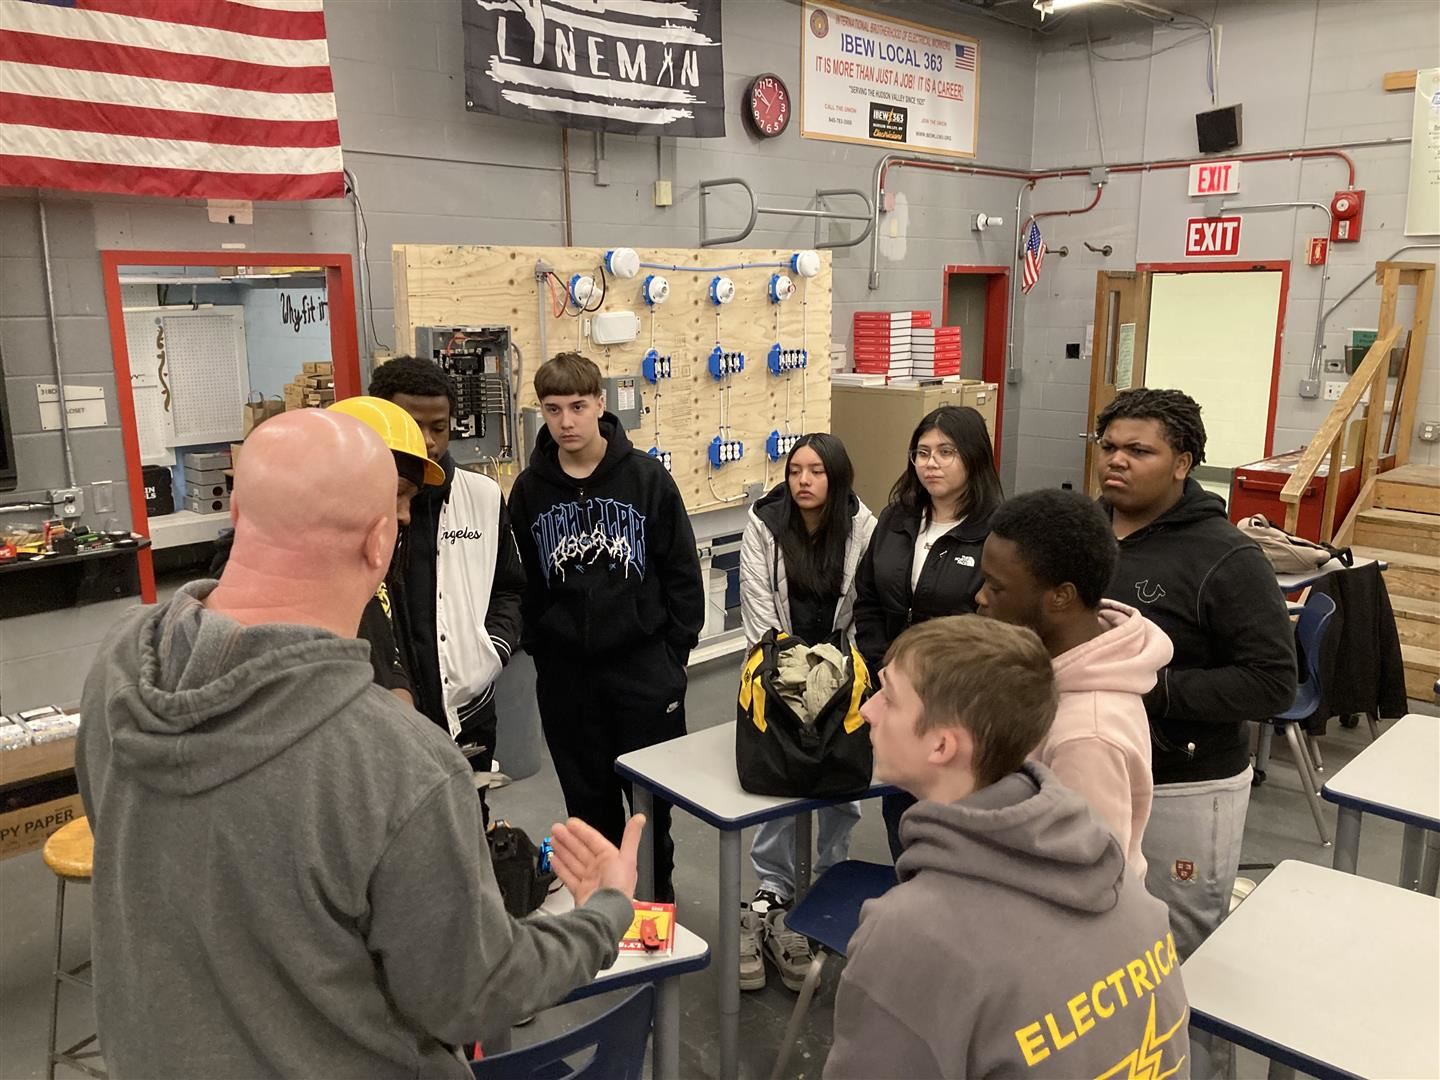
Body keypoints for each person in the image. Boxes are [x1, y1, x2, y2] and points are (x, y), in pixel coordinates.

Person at [75, 409, 644, 1077]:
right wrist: (604, 911)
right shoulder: (402, 765)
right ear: (380, 544)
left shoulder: (119, 668)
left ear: (239, 516)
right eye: (400, 518)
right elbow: (473, 997)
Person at [824, 616, 1190, 1080]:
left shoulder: (911, 934)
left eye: (889, 697)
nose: (870, 709)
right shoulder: (1116, 872)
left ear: (941, 744)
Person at [1095, 388, 1296, 960]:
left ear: (1183, 464)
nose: (1117, 460)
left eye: (1139, 450)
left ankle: (1185, 1054)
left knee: (1173, 952)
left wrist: (1148, 688)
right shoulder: (1081, 534)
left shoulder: (1226, 557)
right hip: (1085, 768)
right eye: (1108, 446)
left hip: (1182, 784)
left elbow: (1271, 682)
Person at [507, 352, 705, 903]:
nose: (566, 421)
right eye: (552, 409)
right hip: (569, 684)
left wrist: (671, 661)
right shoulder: (529, 491)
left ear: (600, 404)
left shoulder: (645, 479)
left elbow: (683, 576)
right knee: (589, 817)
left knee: (649, 814)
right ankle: (605, 927)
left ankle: (654, 917)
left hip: (644, 677)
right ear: (541, 412)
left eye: (577, 406)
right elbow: (522, 584)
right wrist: (543, 649)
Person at [737, 433, 876, 992]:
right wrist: (786, 672)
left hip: (845, 670)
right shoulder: (765, 522)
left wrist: (844, 675)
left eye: (816, 471)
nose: (803, 481)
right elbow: (757, 604)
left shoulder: (862, 525)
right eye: (796, 470)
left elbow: (866, 603)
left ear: (836, 476)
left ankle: (829, 873)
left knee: (840, 774)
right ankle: (773, 886)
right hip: (779, 670)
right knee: (780, 775)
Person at [977, 487, 1172, 875]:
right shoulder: (1040, 669)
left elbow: (1086, 876)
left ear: (1062, 596)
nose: (981, 597)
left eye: (996, 588)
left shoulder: (1088, 734)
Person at [209, 396, 444, 705]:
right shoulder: (273, 588)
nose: (404, 514)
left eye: (410, 497)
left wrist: (401, 704)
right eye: (396, 493)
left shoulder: (367, 563)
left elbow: (388, 644)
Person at [370, 357, 526, 794]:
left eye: (439, 427)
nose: (428, 442)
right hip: (386, 715)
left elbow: (510, 588)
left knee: (469, 821)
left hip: (468, 708)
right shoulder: (356, 507)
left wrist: (489, 652)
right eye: (412, 425)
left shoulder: (482, 496)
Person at [853, 404, 1003, 859]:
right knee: (902, 817)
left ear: (973, 458)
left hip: (962, 705)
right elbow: (869, 599)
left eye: (945, 452)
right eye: (922, 452)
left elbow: (996, 624)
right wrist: (884, 666)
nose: (930, 463)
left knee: (957, 831)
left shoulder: (998, 531)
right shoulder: (897, 520)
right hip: (898, 693)